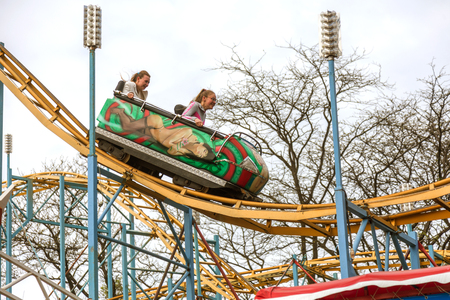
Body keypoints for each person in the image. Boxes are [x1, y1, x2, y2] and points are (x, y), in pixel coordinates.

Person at [110, 107, 215, 161]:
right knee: (127, 127)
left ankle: (121, 112)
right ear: (202, 144)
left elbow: (170, 151)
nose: (201, 153)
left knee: (132, 125)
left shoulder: (185, 151)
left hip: (153, 134)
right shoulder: (189, 133)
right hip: (156, 124)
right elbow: (169, 142)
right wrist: (180, 146)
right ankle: (120, 111)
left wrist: (181, 148)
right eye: (204, 151)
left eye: (202, 156)